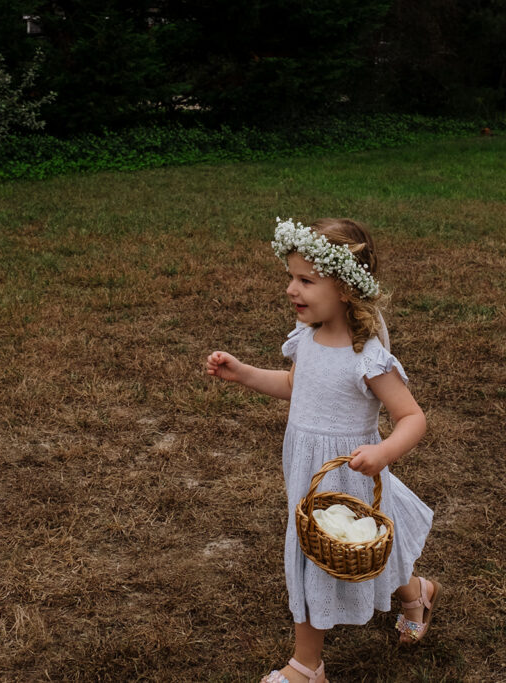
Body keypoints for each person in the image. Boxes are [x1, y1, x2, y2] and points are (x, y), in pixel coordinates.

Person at [206, 218, 440, 682]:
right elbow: (296, 385)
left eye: (306, 280)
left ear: (346, 289)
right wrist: (244, 373)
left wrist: (383, 454)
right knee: (349, 553)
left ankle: (306, 666)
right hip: (307, 470)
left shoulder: (367, 357)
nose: (292, 288)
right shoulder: (306, 340)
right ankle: (417, 592)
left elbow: (413, 418)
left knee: (331, 556)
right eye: (290, 276)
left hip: (351, 474)